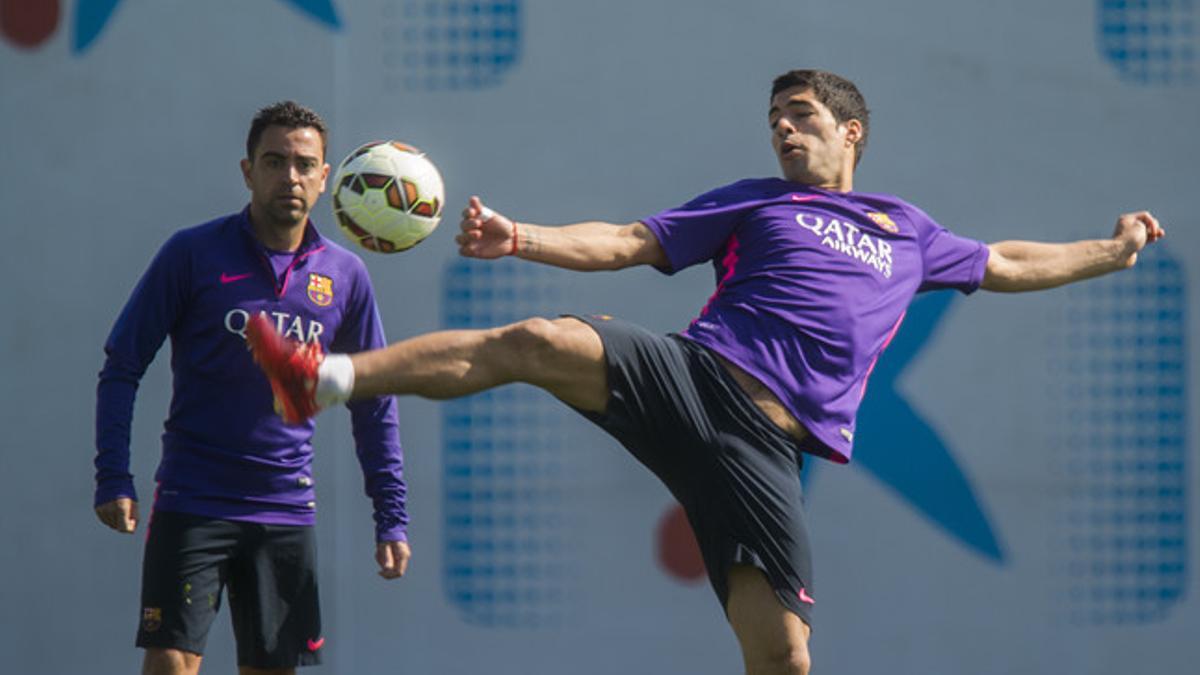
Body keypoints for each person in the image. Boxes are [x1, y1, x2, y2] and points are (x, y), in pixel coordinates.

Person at [244, 71, 1164, 675]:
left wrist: (1112, 251)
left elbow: (1005, 261)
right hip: (693, 376)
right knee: (535, 339)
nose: (782, 129)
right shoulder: (754, 201)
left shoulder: (907, 231)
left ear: (851, 133)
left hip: (767, 450)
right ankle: (324, 378)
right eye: (775, 118)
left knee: (785, 658)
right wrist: (520, 236)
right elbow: (631, 242)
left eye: (801, 116)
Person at [94, 101, 411, 675]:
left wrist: (391, 514)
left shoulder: (345, 275)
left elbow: (373, 397)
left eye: (302, 164)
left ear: (324, 178)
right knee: (169, 663)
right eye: (274, 161)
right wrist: (113, 473)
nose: (288, 176)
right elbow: (122, 363)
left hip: (286, 509)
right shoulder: (192, 253)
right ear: (248, 172)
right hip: (194, 500)